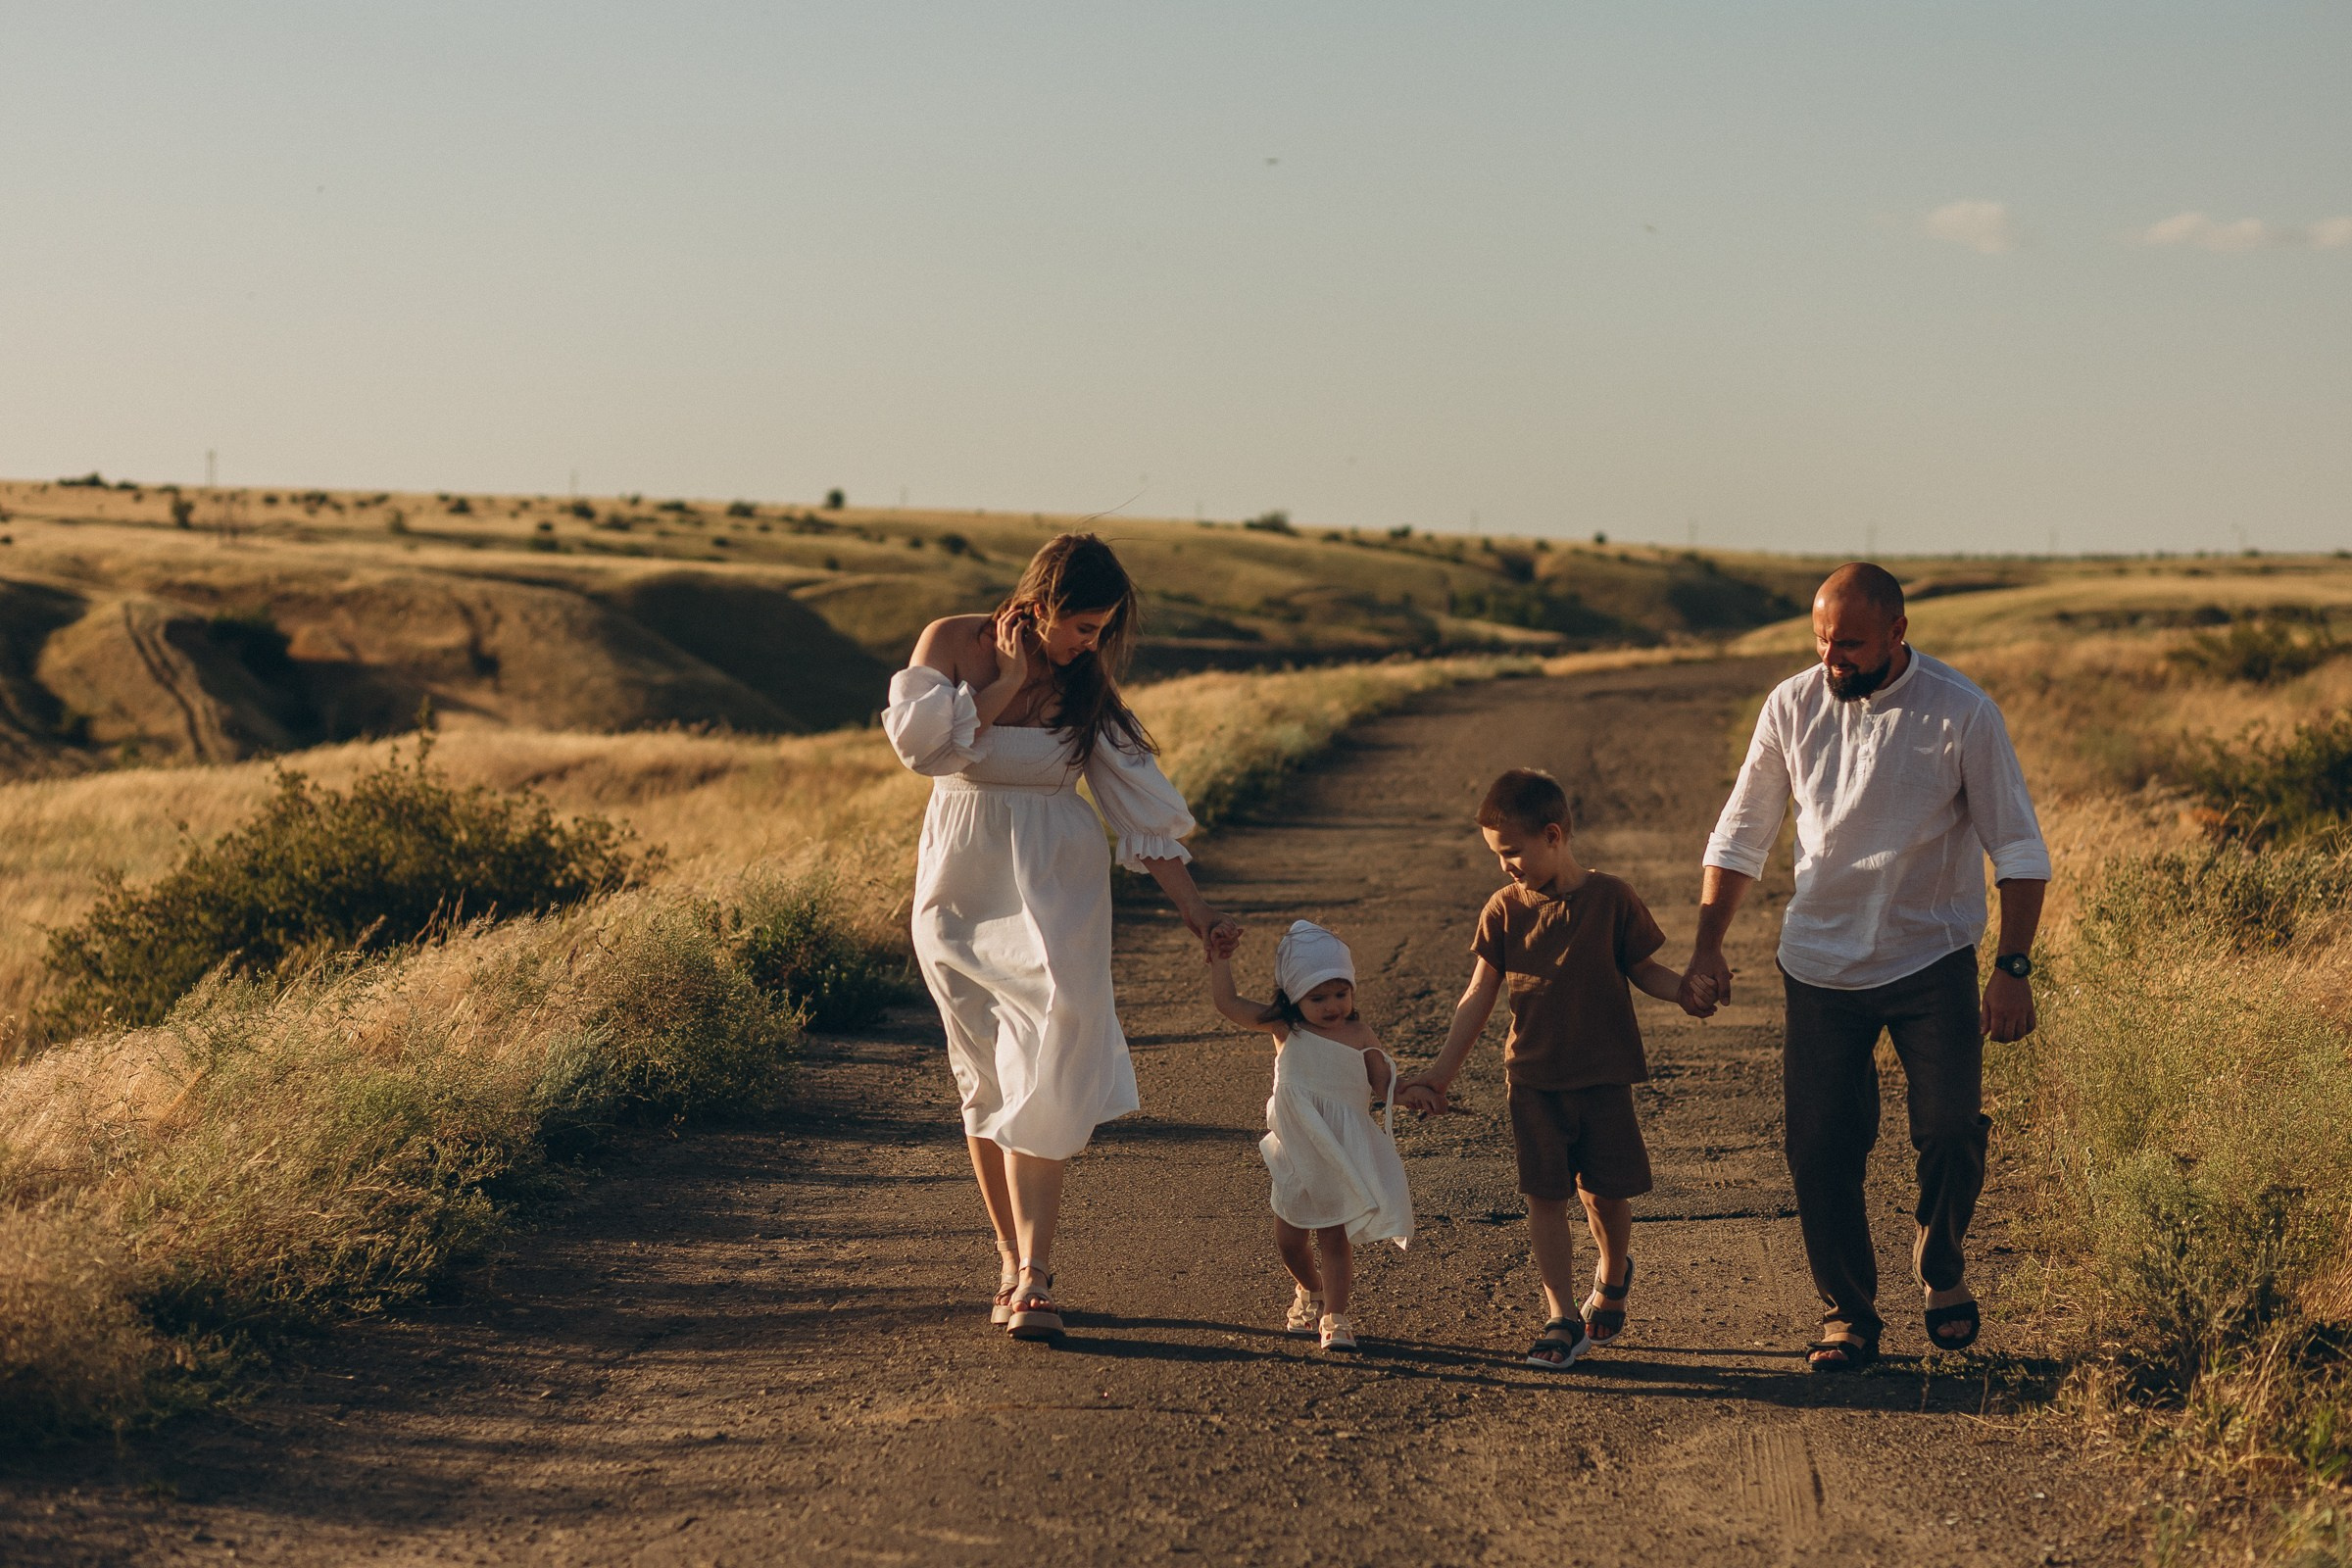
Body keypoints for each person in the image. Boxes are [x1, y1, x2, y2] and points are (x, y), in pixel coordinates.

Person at [1683, 563, 2049, 1372]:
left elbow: (2019, 850)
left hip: (1931, 956)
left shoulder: (1961, 711)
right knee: (1820, 1148)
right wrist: (1708, 944)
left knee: (1950, 1129)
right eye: (1821, 639)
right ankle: (1848, 1315)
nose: (1832, 656)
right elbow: (1741, 833)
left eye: (1849, 642)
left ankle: (1940, 1257)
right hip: (1819, 965)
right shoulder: (1791, 705)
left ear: (1897, 632)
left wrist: (2012, 968)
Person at [882, 534, 1240, 1343]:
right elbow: (923, 749)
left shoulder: (1086, 685)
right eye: (1081, 626)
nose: (1089, 644)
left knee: (1045, 1054)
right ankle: (1011, 1261)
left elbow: (1136, 811)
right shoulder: (951, 641)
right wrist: (1007, 681)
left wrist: (1196, 911)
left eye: (1101, 630)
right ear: (1040, 602)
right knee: (983, 1076)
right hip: (961, 889)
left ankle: (1038, 1272)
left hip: (1056, 891)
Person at [1396, 768, 1710, 1370]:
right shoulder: (1504, 909)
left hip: (1604, 1076)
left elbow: (1644, 969)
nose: (1504, 867)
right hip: (1534, 1081)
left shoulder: (1611, 898)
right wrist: (1439, 1074)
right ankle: (1561, 1314)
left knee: (1605, 1195)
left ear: (1553, 835)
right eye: (1497, 855)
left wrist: (1684, 993)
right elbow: (1478, 996)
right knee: (1545, 1196)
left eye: (1512, 852)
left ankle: (1612, 1272)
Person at [1205, 919, 1414, 1353]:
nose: (1332, 1006)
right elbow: (1228, 1004)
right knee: (1290, 1239)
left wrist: (1417, 1094)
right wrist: (1220, 961)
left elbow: (1384, 1084)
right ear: (1293, 997)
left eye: (1341, 994)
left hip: (1337, 1149)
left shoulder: (1360, 1035)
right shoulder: (1286, 1028)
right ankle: (1311, 1289)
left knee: (1334, 1237)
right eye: (1317, 998)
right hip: (1298, 1148)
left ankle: (1336, 1317)